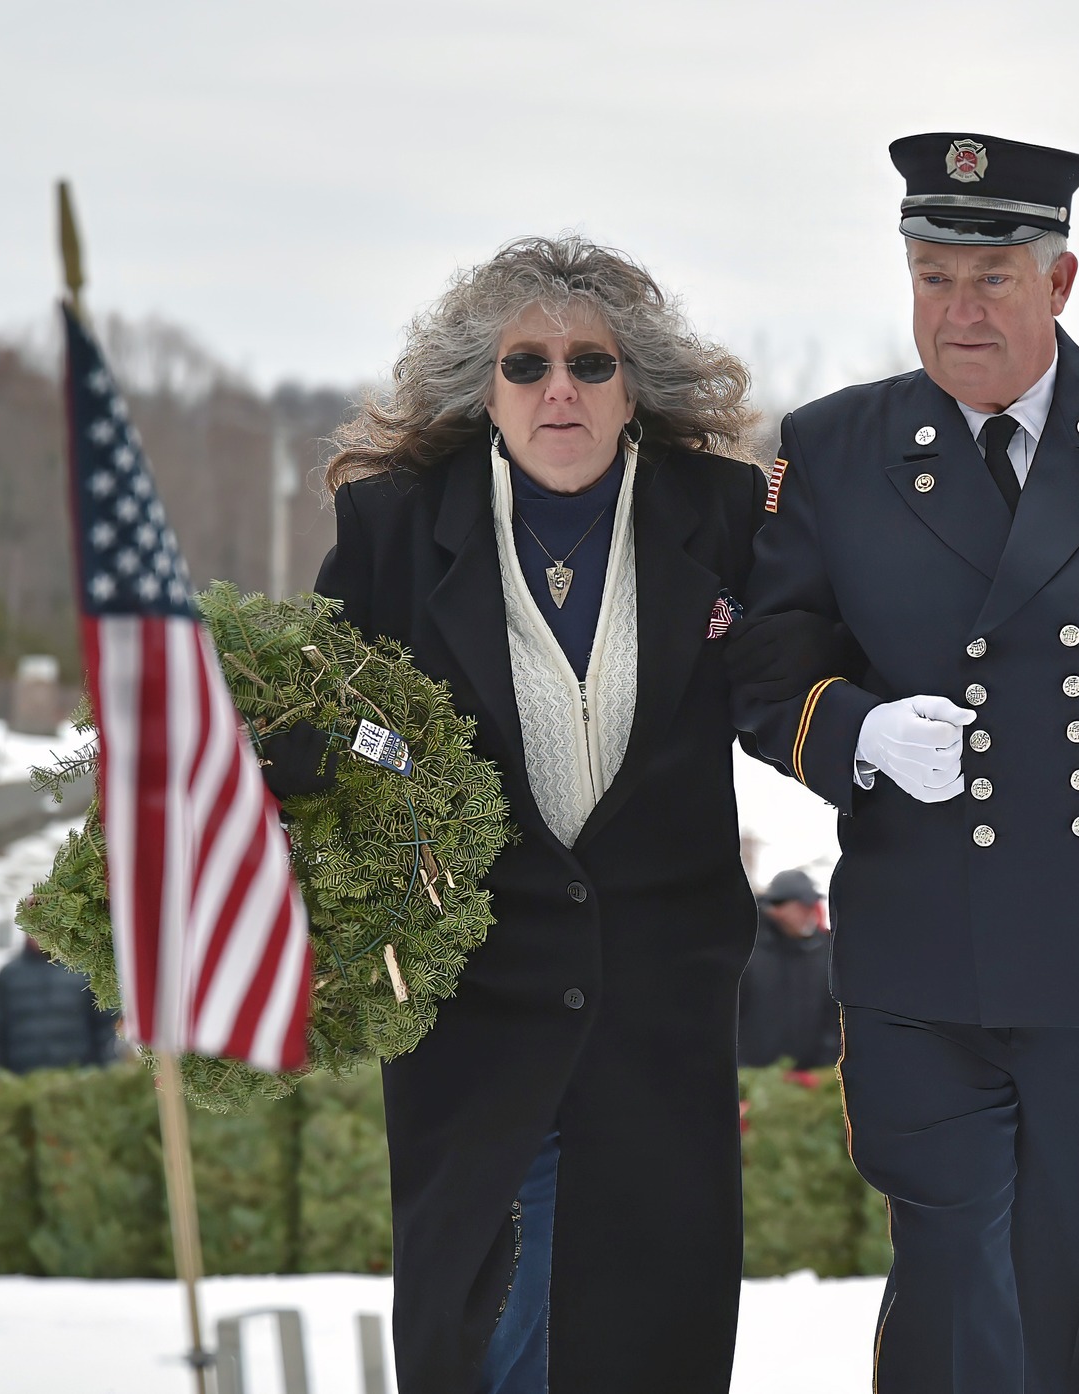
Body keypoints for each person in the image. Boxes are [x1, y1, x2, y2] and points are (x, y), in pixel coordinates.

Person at [731, 132, 1079, 1392]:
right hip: (916, 945)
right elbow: (764, 663)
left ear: (1061, 280)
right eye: (932, 277)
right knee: (944, 1260)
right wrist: (855, 731)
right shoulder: (833, 444)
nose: (958, 308)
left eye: (990, 277)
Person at [313, 235, 776, 1393]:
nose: (557, 388)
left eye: (589, 362)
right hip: (476, 1011)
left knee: (650, 1331)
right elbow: (316, 716)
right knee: (484, 1328)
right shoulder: (394, 529)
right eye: (525, 364)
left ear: (636, 389)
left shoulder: (722, 516)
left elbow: (803, 671)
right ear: (485, 388)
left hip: (659, 1010)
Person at [737, 868, 839, 1070]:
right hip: (753, 1084)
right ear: (777, 907)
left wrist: (823, 1068)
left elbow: (833, 1018)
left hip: (809, 1084)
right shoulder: (745, 950)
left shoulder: (824, 952)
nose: (810, 912)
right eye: (803, 906)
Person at [0, 935, 118, 1075]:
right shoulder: (9, 974)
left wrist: (103, 1069)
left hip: (77, 1079)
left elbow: (105, 1024)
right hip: (23, 1080)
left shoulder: (85, 970)